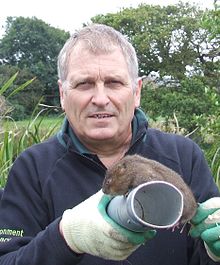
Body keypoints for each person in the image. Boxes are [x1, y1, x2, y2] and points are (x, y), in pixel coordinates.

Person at [0, 23, 219, 265]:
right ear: (63, 95)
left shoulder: (183, 155)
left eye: (114, 82)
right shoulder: (31, 169)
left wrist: (215, 254)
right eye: (84, 84)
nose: (101, 99)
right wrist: (65, 237)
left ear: (136, 92)